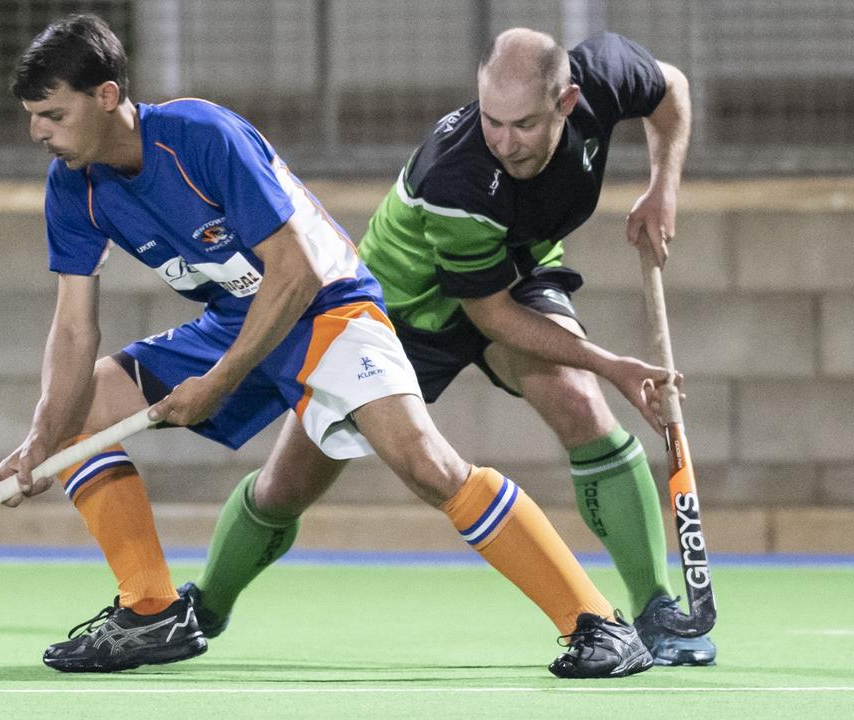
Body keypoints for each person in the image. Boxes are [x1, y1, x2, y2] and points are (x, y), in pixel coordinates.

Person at [0, 14, 655, 679]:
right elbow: (72, 329)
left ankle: (596, 622)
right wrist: (43, 443)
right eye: (33, 116)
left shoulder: (201, 137)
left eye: (53, 116)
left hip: (327, 307)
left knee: (427, 465)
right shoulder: (73, 186)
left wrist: (219, 381)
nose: (39, 133)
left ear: (107, 98)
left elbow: (295, 271)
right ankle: (151, 610)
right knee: (81, 417)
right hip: (232, 319)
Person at [181, 28, 715, 667]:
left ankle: (656, 608)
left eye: (522, 124)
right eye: (492, 120)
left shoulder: (603, 75)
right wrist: (613, 363)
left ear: (568, 102)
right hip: (396, 308)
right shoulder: (457, 174)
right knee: (286, 487)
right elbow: (488, 316)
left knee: (578, 402)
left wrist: (664, 187)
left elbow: (672, 91)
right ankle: (202, 608)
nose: (504, 141)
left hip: (518, 267)